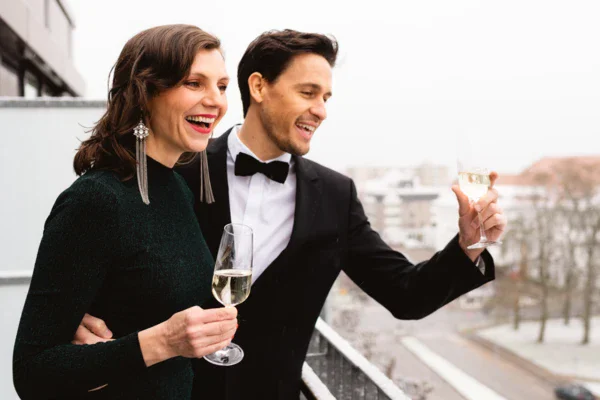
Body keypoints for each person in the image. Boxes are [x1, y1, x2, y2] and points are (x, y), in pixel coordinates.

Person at [76, 29, 507, 399]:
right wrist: (80, 323)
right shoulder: (178, 167)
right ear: (259, 87)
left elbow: (407, 295)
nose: (321, 109)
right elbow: (113, 257)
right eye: (308, 93)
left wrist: (469, 244)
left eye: (326, 97)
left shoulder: (337, 196)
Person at [13, 24, 238, 399]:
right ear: (144, 93)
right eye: (194, 83)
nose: (216, 100)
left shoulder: (178, 187)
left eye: (222, 86)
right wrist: (162, 341)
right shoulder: (95, 201)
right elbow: (32, 372)